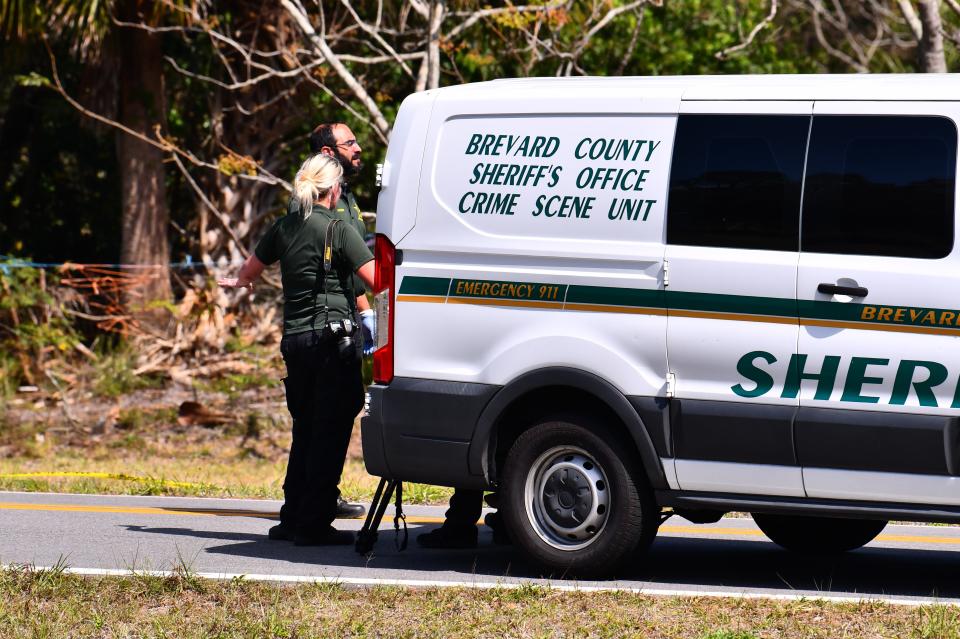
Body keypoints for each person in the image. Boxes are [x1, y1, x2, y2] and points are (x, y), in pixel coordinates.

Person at [219, 154, 374, 545]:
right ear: (335, 189)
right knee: (332, 429)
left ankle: (292, 517)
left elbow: (250, 271)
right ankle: (314, 523)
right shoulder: (338, 228)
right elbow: (375, 278)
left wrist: (241, 283)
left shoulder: (284, 226)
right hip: (332, 340)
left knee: (304, 427)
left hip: (296, 341)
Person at [288, 122, 372, 519]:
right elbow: (342, 265)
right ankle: (311, 506)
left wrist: (365, 310)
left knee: (327, 413)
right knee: (324, 415)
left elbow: (345, 267)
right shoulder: (312, 207)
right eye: (349, 142)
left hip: (340, 318)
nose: (358, 148)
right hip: (324, 328)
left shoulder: (348, 199)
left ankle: (311, 502)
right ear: (326, 152)